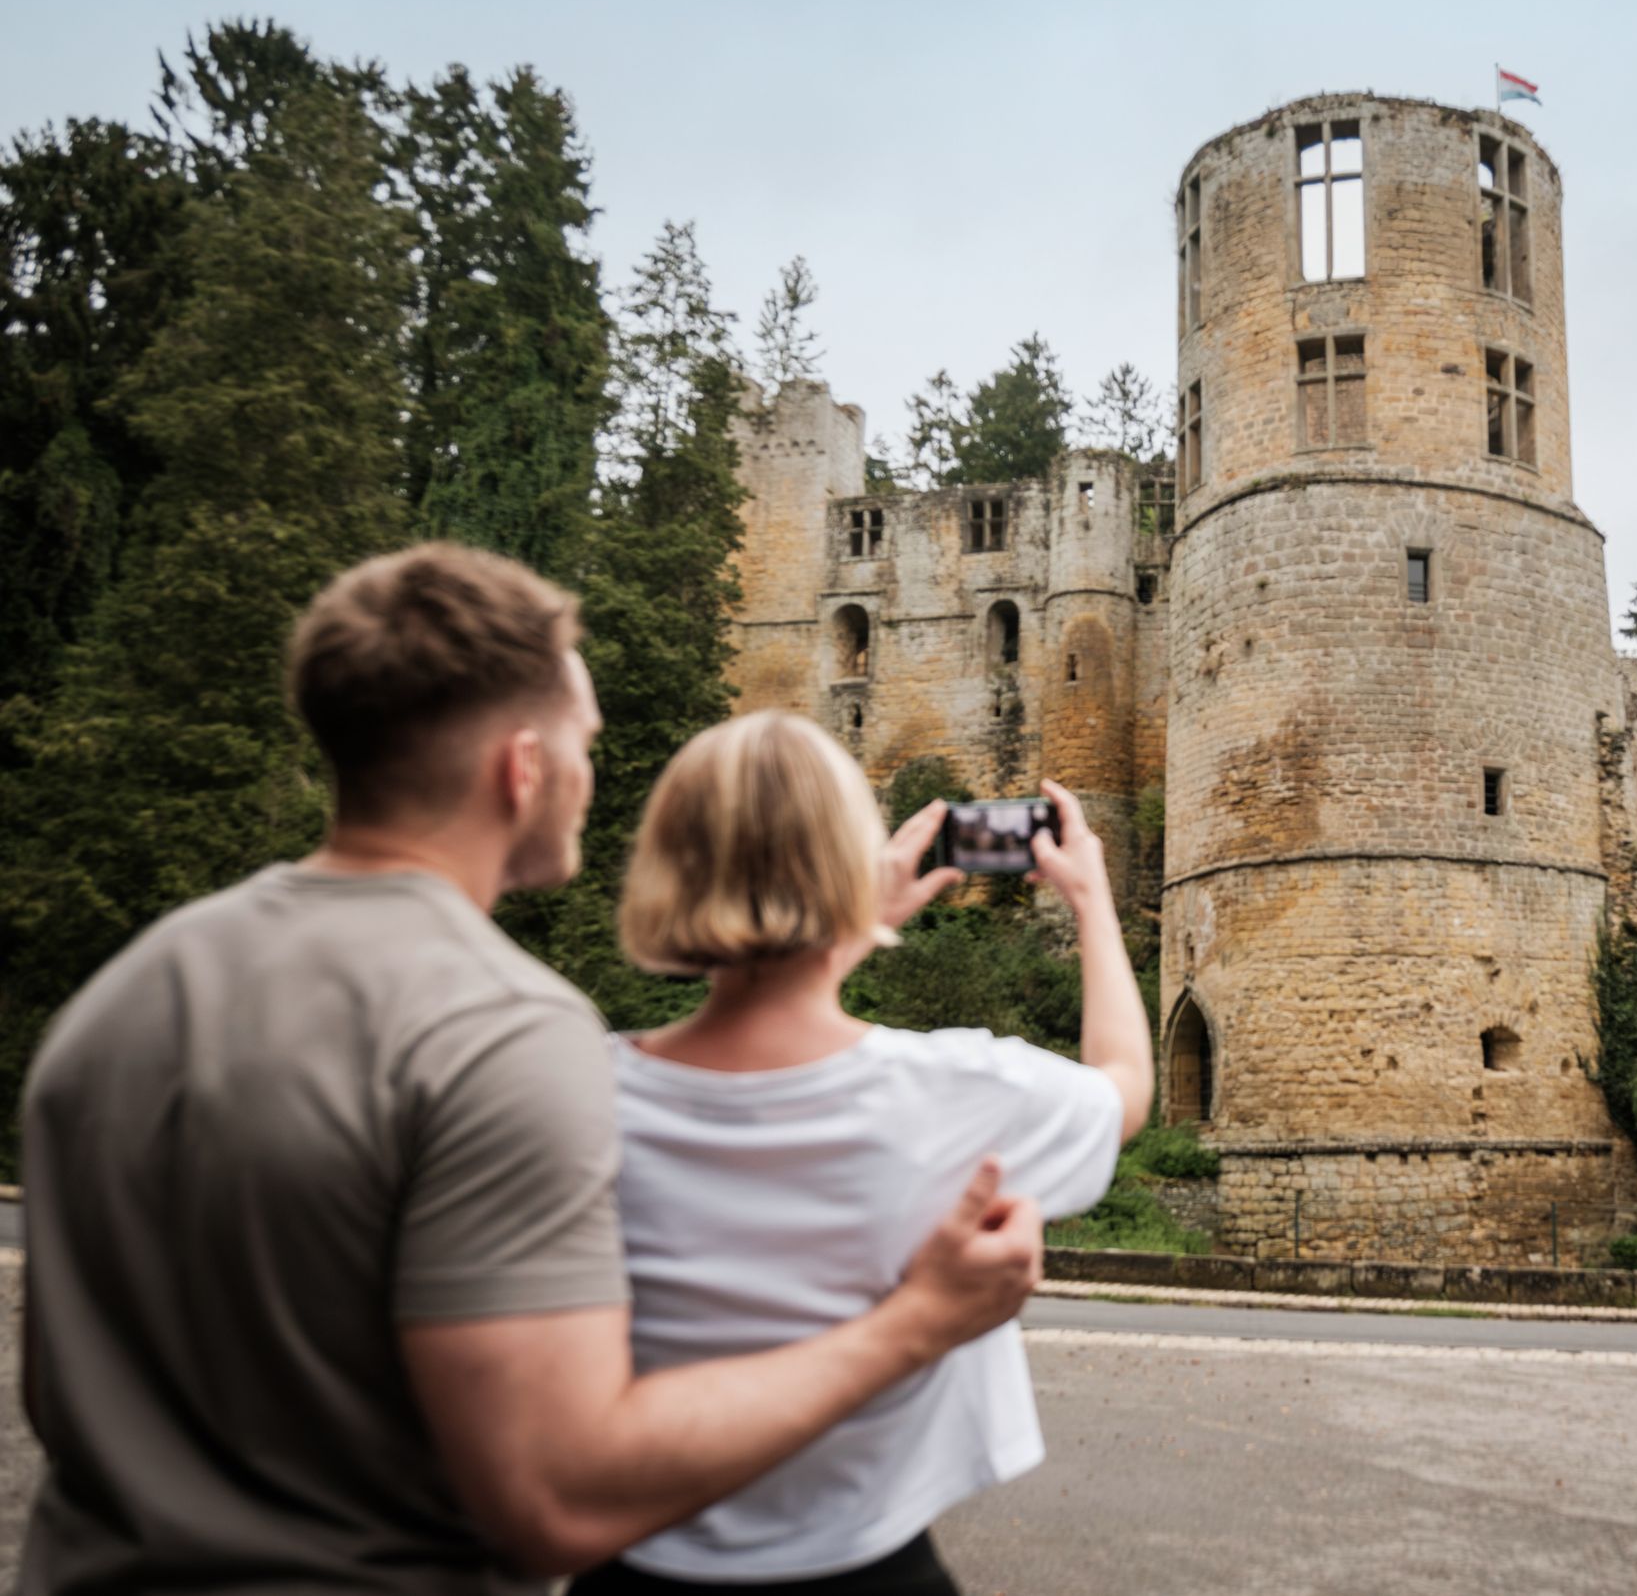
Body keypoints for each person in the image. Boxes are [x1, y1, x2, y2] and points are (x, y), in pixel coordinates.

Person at [17, 544, 1045, 1595]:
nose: (591, 776)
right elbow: (558, 1501)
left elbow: (64, 1394)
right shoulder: (498, 1029)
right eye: (584, 742)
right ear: (521, 767)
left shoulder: (121, 999)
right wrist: (919, 1320)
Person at [574, 719, 1154, 1593]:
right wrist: (1091, 901)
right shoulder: (955, 1085)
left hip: (640, 1561)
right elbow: (1123, 1086)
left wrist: (842, 926)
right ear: (852, 868)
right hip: (867, 1563)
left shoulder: (576, 1091)